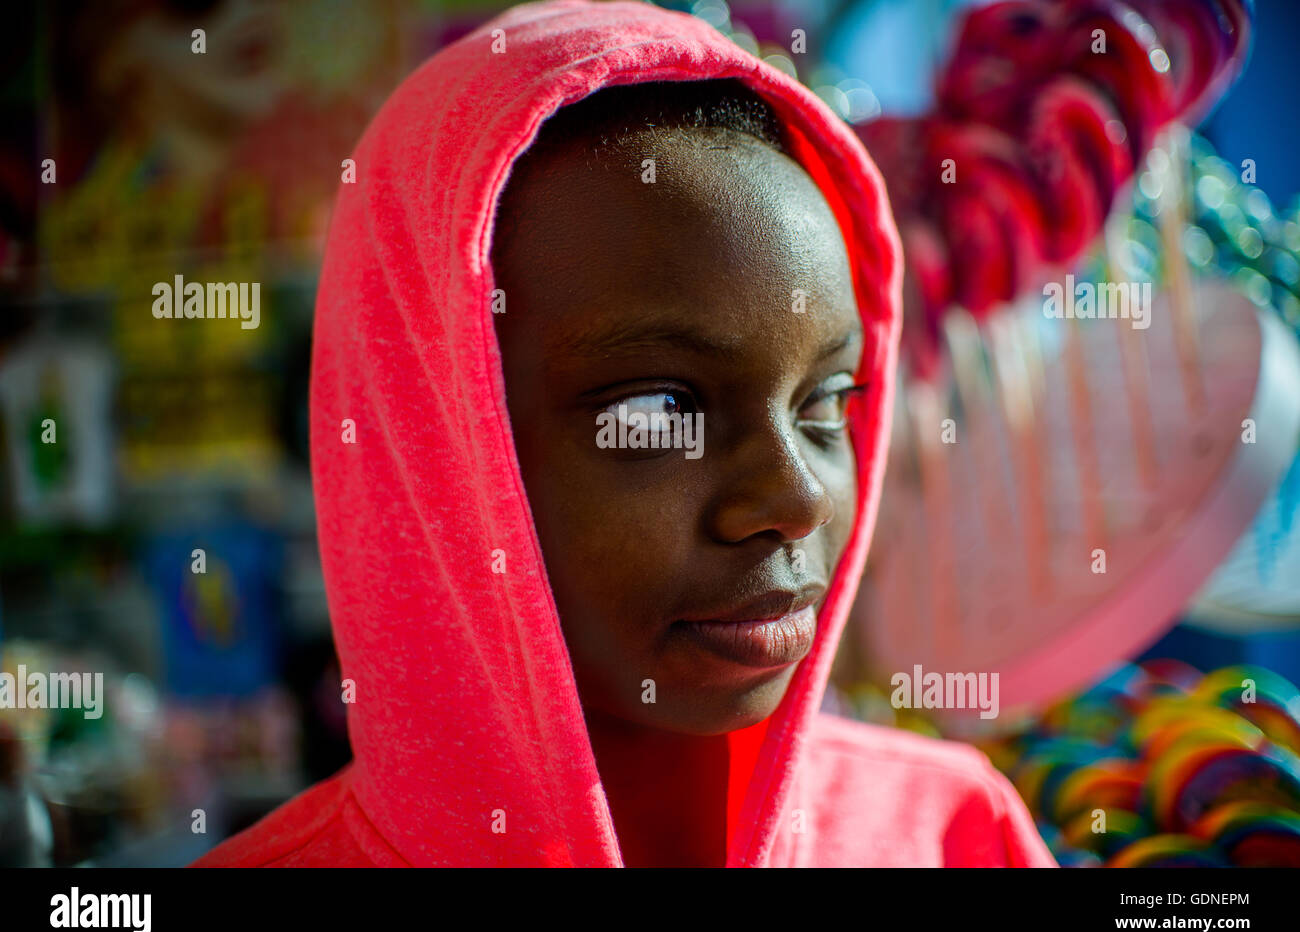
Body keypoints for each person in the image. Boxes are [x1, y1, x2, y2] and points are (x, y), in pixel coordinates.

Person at [194, 0, 1056, 867]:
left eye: (825, 400)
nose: (795, 498)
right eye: (657, 415)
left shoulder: (954, 833)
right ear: (436, 451)